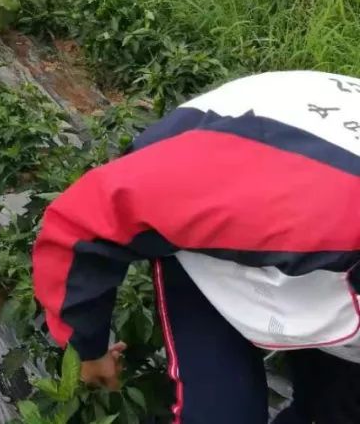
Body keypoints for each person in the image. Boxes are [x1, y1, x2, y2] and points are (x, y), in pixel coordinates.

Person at [32, 70, 360, 423]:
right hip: (226, 237)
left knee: (335, 407)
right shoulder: (301, 210)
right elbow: (88, 221)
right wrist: (87, 350)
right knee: (223, 411)